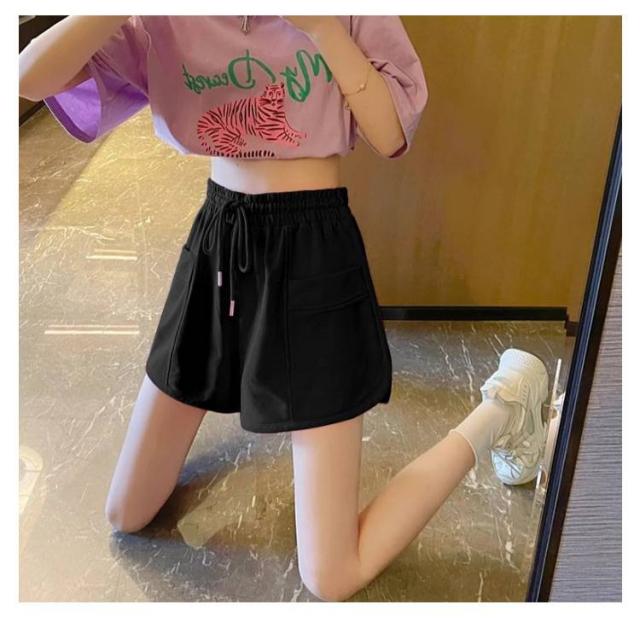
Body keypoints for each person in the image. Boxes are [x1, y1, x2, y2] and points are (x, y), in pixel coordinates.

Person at [19, 15, 549, 601]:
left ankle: (505, 406)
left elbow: (391, 134)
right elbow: (28, 78)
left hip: (311, 255)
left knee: (331, 575)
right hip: (219, 242)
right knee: (127, 512)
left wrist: (321, 25)